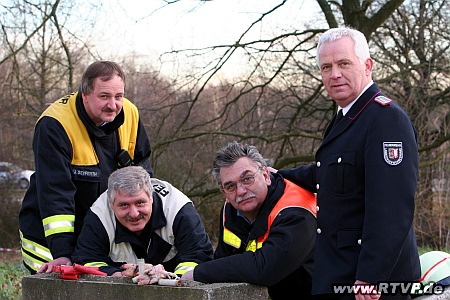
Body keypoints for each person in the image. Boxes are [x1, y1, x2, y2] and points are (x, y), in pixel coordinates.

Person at [275, 27, 420, 299]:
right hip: (339, 273)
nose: (334, 74)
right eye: (326, 67)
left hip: (369, 284)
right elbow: (331, 174)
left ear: (367, 66)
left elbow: (392, 207)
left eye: (343, 64)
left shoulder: (384, 120)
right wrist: (278, 175)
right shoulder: (346, 116)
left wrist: (371, 276)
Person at [19, 61, 154, 274]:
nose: (113, 105)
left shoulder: (130, 113)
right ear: (85, 94)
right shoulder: (54, 124)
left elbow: (144, 175)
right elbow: (56, 194)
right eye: (104, 96)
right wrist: (62, 253)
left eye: (118, 96)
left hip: (99, 236)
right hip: (49, 240)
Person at [181, 141, 317, 300]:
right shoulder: (230, 210)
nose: (241, 191)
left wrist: (197, 273)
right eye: (230, 186)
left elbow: (265, 268)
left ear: (266, 175)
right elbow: (223, 260)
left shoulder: (296, 209)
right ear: (223, 191)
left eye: (247, 179)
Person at [71, 166, 213, 279]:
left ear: (151, 197)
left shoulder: (180, 210)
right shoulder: (99, 215)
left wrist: (170, 278)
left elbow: (199, 257)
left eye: (140, 203)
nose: (134, 213)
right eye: (124, 205)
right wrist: (119, 276)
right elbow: (85, 261)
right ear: (111, 204)